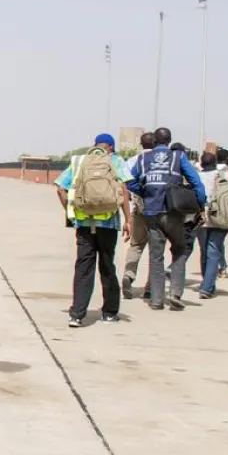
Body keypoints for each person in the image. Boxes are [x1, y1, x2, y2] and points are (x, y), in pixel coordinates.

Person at [53, 133, 132, 326]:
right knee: (107, 266)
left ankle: (77, 314)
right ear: (111, 147)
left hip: (85, 223)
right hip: (109, 224)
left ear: (95, 145)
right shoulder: (115, 161)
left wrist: (71, 214)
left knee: (83, 268)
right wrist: (128, 220)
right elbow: (123, 190)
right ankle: (109, 312)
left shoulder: (80, 161)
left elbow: (60, 188)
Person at [127, 126, 207, 311]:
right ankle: (176, 294)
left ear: (155, 141)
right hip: (174, 213)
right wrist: (200, 203)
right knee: (179, 250)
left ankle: (156, 300)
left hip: (152, 212)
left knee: (156, 256)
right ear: (169, 141)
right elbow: (196, 182)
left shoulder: (143, 159)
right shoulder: (178, 157)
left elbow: (129, 180)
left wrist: (145, 192)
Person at [195, 151, 228, 299]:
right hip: (219, 217)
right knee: (214, 252)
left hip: (201, 218)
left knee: (204, 251)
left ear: (202, 164)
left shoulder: (197, 177)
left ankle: (207, 283)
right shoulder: (223, 176)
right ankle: (207, 287)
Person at [119, 136, 153, 299]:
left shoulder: (134, 160)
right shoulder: (165, 160)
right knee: (156, 249)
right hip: (160, 210)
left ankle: (128, 275)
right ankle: (151, 287)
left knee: (136, 245)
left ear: (141, 144)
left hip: (138, 208)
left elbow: (126, 183)